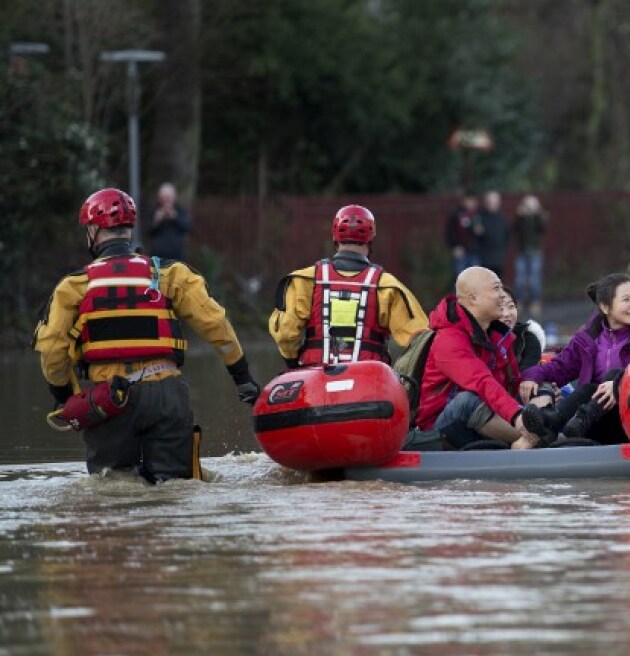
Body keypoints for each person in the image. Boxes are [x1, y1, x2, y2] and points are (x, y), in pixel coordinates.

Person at [33, 188, 259, 483]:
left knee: (112, 488)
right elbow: (216, 324)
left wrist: (62, 396)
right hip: (167, 394)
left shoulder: (73, 286)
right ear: (131, 229)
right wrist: (242, 377)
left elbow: (52, 348)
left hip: (108, 399)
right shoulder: (171, 274)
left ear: (92, 231)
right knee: (176, 488)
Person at [269, 205, 428, 368]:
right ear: (371, 238)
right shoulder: (387, 286)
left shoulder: (305, 280)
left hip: (315, 378)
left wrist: (292, 361)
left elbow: (286, 334)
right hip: (370, 382)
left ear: (334, 237)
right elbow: (420, 341)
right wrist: (404, 375)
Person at [519, 273, 630, 446]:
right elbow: (559, 368)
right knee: (588, 389)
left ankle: (575, 421)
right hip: (591, 424)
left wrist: (620, 386)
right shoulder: (587, 338)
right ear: (605, 307)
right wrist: (531, 376)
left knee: (614, 375)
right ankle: (550, 422)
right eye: (626, 300)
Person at [414, 266, 536, 450]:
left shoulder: (497, 335)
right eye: (496, 289)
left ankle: (536, 435)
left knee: (538, 399)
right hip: (439, 429)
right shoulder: (448, 339)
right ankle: (537, 439)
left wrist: (542, 395)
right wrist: (519, 417)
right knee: (467, 401)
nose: (503, 295)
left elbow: (511, 385)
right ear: (473, 298)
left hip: (486, 417)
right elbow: (481, 382)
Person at [513, 194, 548, 316]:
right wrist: (519, 216)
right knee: (520, 279)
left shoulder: (538, 217)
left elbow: (543, 228)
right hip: (522, 252)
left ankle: (535, 302)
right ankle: (519, 301)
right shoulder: (521, 218)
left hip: (535, 252)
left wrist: (537, 214)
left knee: (534, 279)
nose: (529, 208)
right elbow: (515, 229)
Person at [500, 286, 546, 371]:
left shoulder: (528, 339)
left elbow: (527, 377)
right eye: (500, 308)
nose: (507, 314)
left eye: (511, 306)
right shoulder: (479, 340)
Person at [146, 182, 192, 261]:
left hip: (177, 256)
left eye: (169, 197)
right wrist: (156, 221)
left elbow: (187, 227)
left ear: (174, 197)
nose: (167, 201)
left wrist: (175, 217)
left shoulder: (181, 211)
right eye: (164, 198)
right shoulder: (153, 211)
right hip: (158, 257)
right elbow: (148, 231)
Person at [444, 190, 481, 279]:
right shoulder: (456, 214)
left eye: (473, 200)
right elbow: (449, 232)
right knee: (460, 278)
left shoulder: (478, 214)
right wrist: (455, 246)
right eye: (469, 200)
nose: (471, 203)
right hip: (461, 252)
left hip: (475, 252)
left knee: (474, 279)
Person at [477, 190, 510, 279]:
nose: (492, 204)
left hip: (498, 258)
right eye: (489, 202)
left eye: (494, 202)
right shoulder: (479, 216)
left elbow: (507, 236)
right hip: (483, 257)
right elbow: (476, 235)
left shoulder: (503, 218)